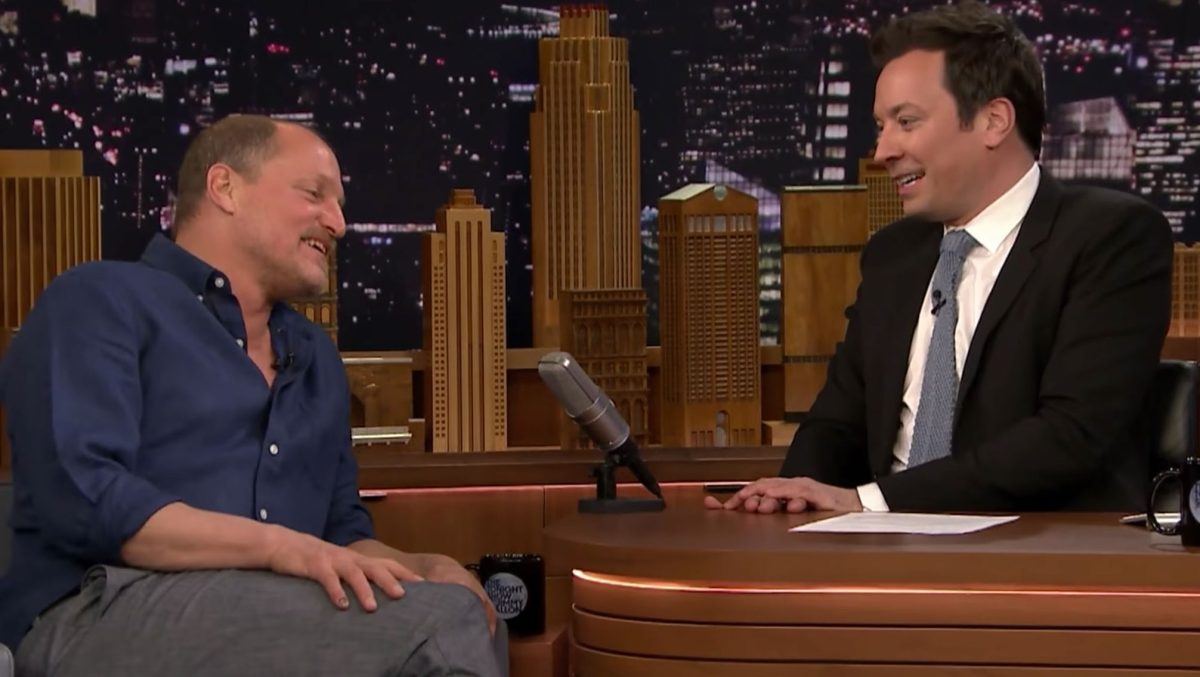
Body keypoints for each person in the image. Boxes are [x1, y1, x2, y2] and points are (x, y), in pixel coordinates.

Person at [0, 114, 504, 676]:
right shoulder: (100, 299)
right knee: (439, 627)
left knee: (469, 609)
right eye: (313, 194)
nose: (337, 223)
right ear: (225, 187)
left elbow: (339, 535)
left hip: (269, 614)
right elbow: (87, 499)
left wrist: (421, 566)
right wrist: (277, 547)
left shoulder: (315, 358)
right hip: (97, 608)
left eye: (339, 205)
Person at [708, 0, 1172, 515]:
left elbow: (1070, 436)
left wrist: (871, 502)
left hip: (1037, 547)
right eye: (881, 126)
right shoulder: (893, 254)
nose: (883, 151)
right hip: (880, 545)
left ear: (994, 121)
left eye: (906, 121)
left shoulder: (1109, 237)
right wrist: (789, 498)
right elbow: (837, 423)